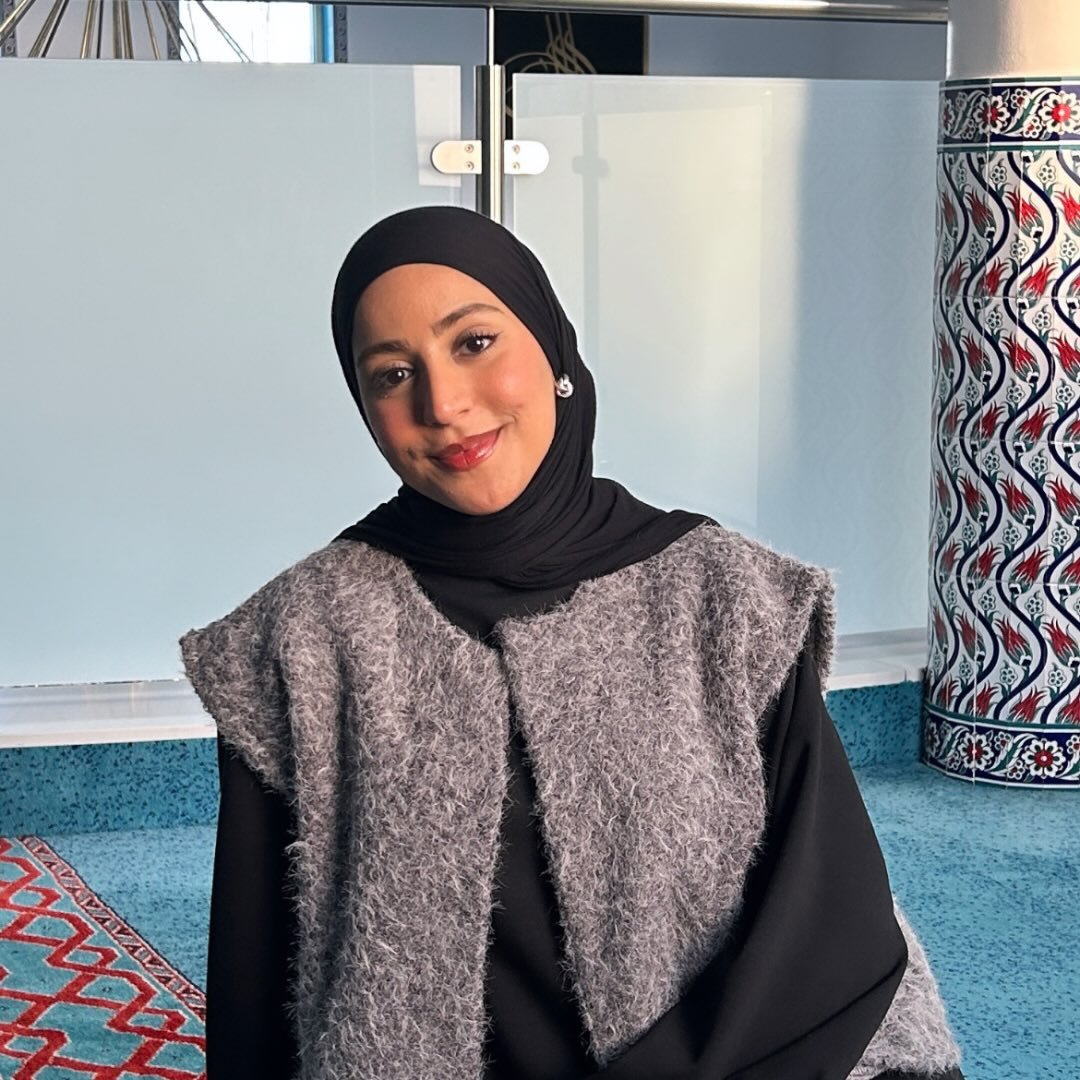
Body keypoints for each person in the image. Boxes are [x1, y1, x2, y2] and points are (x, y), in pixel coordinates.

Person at [181, 206, 964, 1080]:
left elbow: (829, 921)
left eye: (474, 343)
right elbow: (257, 979)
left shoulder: (726, 596)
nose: (444, 405)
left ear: (553, 349)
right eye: (394, 374)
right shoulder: (301, 637)